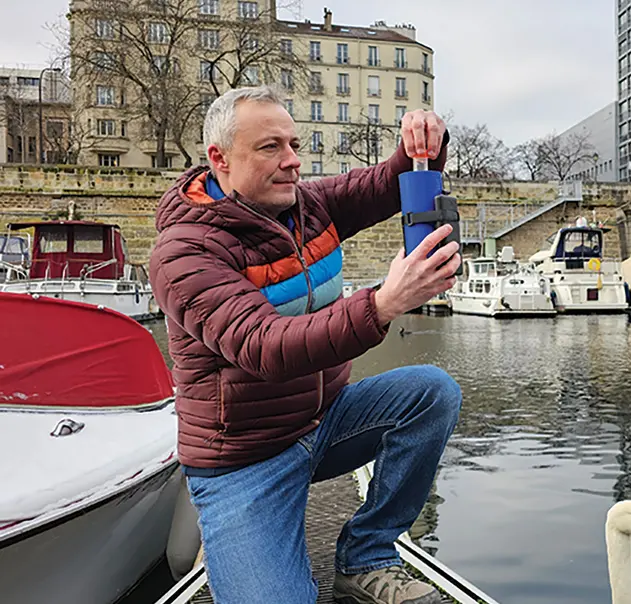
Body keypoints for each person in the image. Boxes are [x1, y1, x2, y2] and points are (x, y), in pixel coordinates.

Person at [148, 85, 462, 604]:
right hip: (244, 459)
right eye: (271, 148)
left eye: (295, 144)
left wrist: (419, 143)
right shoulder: (183, 253)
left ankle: (366, 555)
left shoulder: (307, 205)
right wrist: (383, 303)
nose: (293, 162)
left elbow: (383, 183)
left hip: (324, 423)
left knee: (431, 393)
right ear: (219, 159)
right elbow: (264, 347)